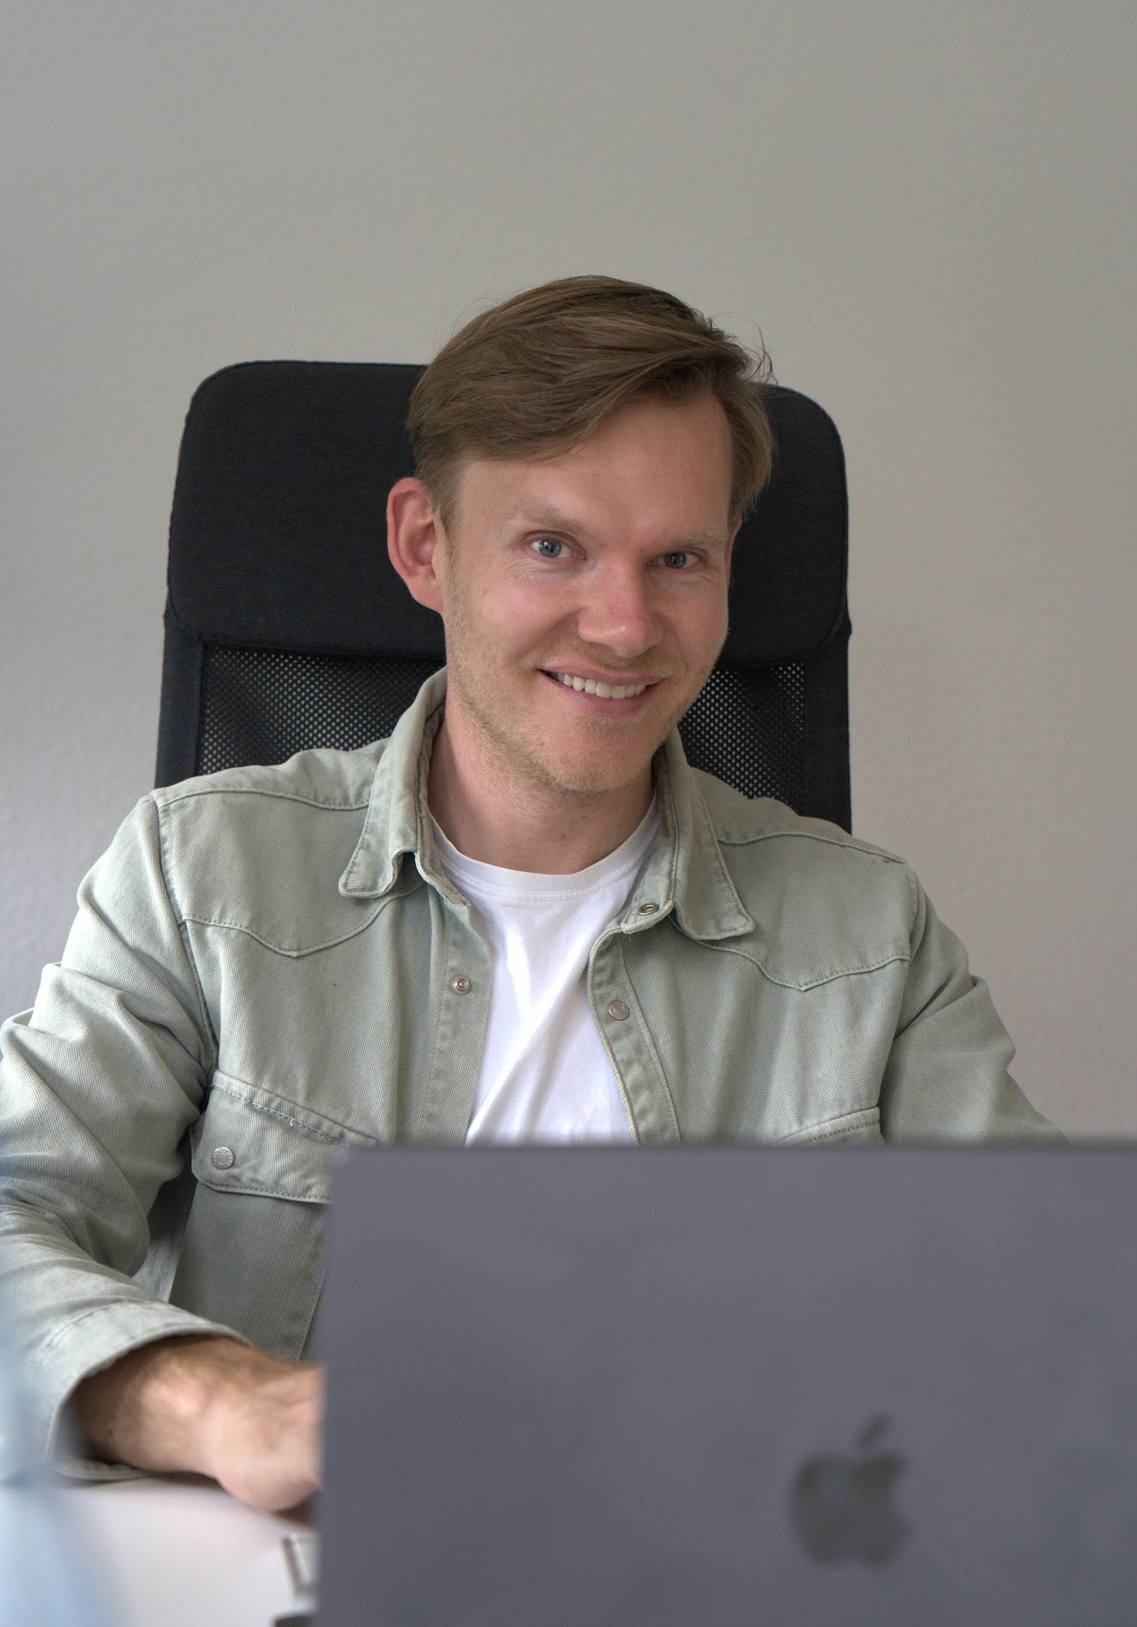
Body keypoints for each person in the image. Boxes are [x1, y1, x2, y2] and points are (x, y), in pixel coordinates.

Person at [0, 274, 1059, 1515]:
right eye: (554, 546)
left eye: (679, 558)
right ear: (426, 547)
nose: (624, 626)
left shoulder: (870, 936)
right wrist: (232, 1402)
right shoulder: (201, 875)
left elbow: (1051, 1302)